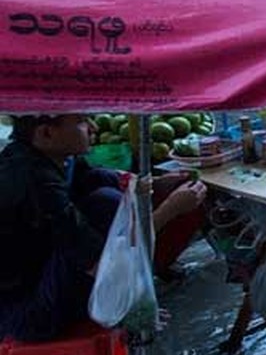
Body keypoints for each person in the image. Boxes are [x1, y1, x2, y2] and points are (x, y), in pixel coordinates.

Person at [0, 114, 207, 342]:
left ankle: (130, 294)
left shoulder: (54, 158)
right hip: (29, 314)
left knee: (107, 194)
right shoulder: (32, 181)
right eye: (81, 121)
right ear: (46, 133)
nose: (93, 127)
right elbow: (103, 264)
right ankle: (125, 308)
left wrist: (152, 184)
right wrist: (169, 209)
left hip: (48, 272)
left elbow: (94, 177)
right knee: (108, 204)